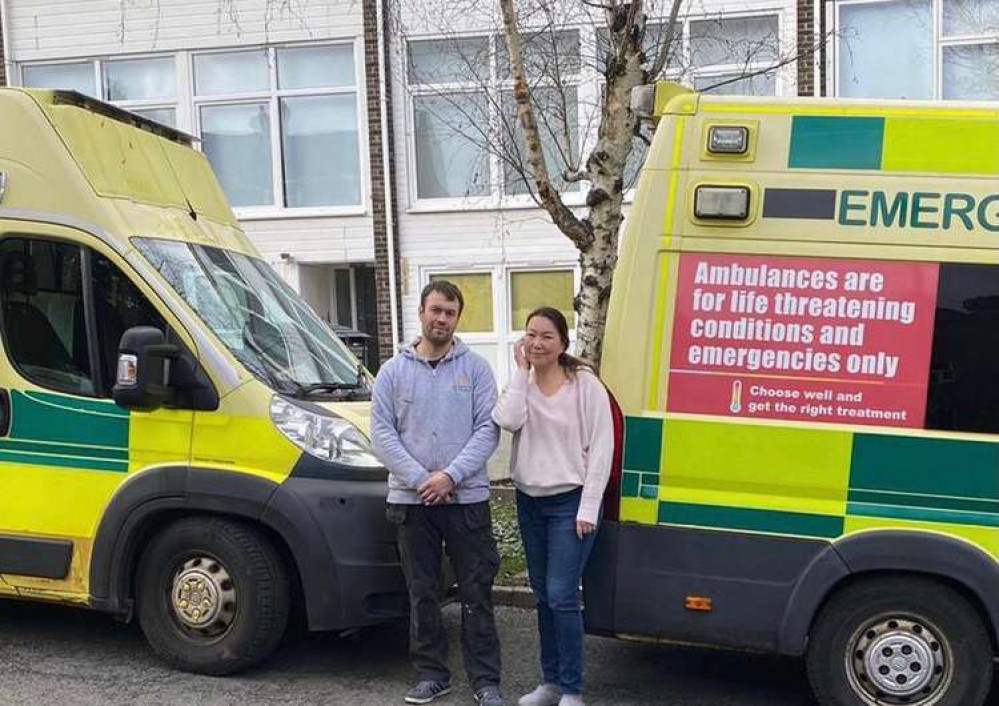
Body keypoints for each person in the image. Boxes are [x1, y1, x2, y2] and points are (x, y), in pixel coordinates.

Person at [372, 280, 506, 706]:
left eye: (450, 312)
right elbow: (381, 434)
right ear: (421, 313)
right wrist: (420, 479)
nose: (441, 319)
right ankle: (432, 674)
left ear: (457, 318)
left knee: (476, 591)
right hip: (412, 503)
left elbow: (488, 429)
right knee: (422, 592)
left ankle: (486, 681)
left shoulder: (477, 370)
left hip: (466, 500)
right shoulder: (393, 371)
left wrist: (449, 476)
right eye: (435, 310)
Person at [491, 307, 613, 706]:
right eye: (531, 335)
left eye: (546, 336)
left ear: (563, 342)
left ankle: (573, 690)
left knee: (562, 594)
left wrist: (588, 508)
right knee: (543, 594)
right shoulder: (523, 382)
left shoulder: (584, 384)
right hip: (530, 501)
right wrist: (520, 373)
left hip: (569, 503)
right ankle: (551, 683)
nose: (537, 342)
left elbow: (602, 448)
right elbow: (507, 420)